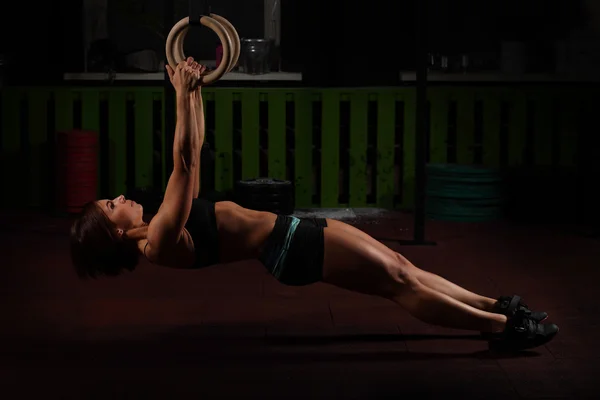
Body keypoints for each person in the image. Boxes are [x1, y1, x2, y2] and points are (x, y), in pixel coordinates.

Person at [70, 58, 558, 351]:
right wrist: (179, 95)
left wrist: (193, 92)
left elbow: (192, 156)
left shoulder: (157, 225)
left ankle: (496, 306)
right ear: (114, 233)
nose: (120, 197)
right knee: (399, 284)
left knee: (402, 265)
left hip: (292, 231)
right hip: (289, 251)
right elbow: (184, 163)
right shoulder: (157, 241)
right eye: (111, 204)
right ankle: (502, 327)